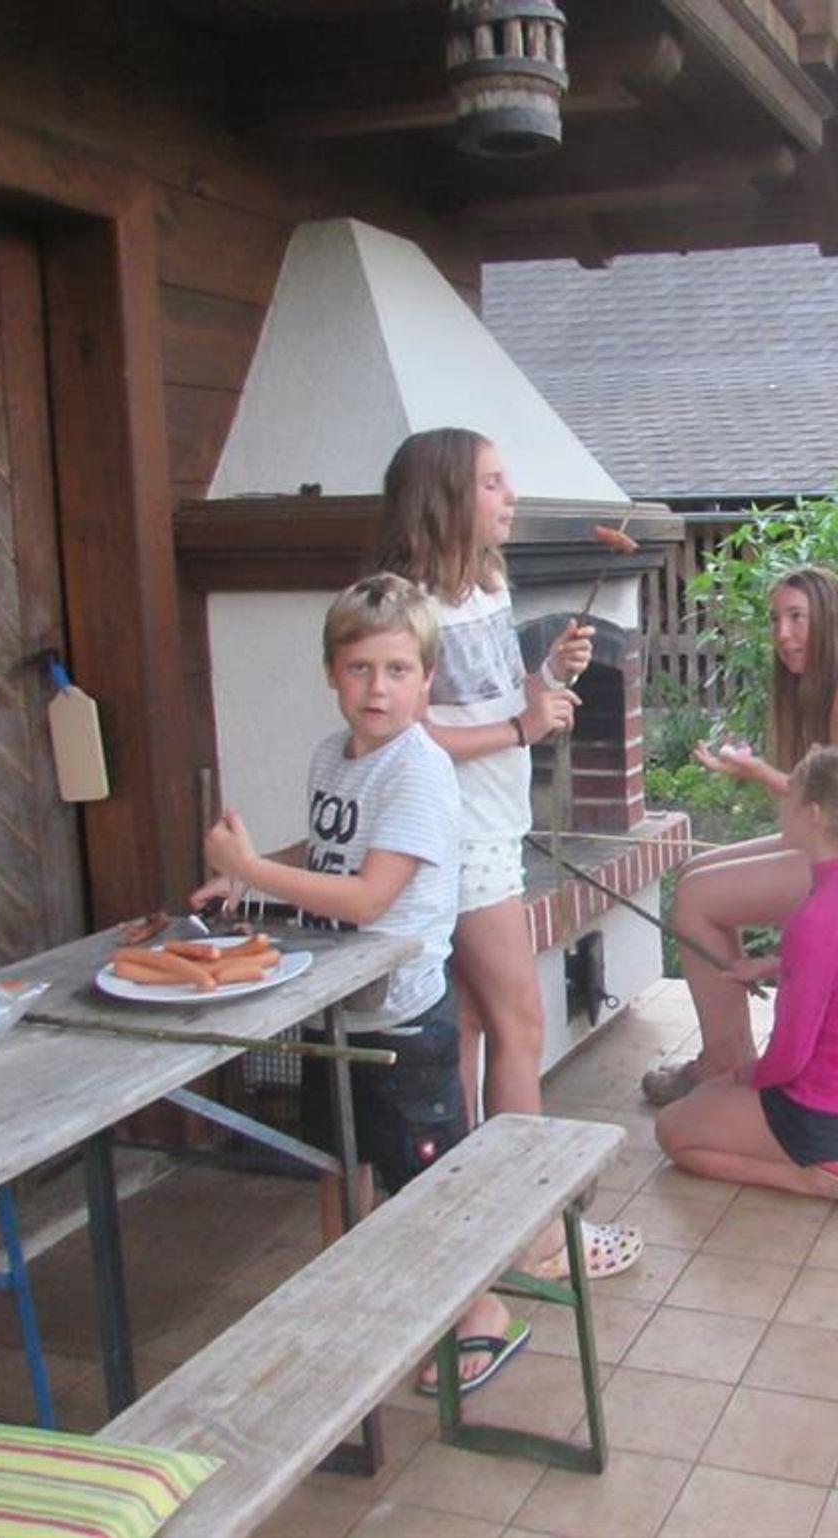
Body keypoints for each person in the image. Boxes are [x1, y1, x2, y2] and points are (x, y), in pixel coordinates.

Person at [190, 574, 525, 1393]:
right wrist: (245, 878)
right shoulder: (332, 758)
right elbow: (329, 853)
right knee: (335, 1161)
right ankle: (346, 1298)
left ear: (426, 678)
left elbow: (372, 897)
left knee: (428, 1178)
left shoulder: (418, 770)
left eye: (398, 670)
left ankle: (482, 1310)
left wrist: (251, 866)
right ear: (330, 674)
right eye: (360, 669)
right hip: (336, 1007)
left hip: (403, 1021)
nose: (378, 689)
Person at [375, 427, 641, 1281]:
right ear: (447, 497)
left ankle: (465, 1222)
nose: (511, 495)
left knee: (466, 1028)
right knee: (520, 1027)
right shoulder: (407, 608)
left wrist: (546, 678)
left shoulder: (485, 588)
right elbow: (409, 735)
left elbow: (494, 701)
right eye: (492, 482)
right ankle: (533, 1238)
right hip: (456, 840)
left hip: (489, 827)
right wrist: (524, 727)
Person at [641, 565, 838, 1106]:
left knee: (696, 899)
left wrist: (758, 773)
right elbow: (829, 808)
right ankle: (729, 1053)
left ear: (830, 618)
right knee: (693, 874)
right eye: (776, 620)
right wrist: (756, 770)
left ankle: (723, 1063)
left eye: (797, 617)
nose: (783, 634)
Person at [655, 746, 838, 1217]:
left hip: (821, 1116)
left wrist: (747, 1076)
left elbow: (789, 1058)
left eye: (789, 796)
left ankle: (821, 1177)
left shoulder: (816, 919)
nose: (781, 806)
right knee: (713, 1099)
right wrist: (773, 964)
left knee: (674, 1131)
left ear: (813, 815)